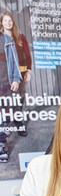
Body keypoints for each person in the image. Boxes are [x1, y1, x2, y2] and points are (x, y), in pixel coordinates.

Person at [1, 12, 32, 137]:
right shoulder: (2, 38)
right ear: (1, 22)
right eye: (5, 20)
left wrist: (28, 71)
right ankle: (6, 124)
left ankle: (18, 121)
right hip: (5, 73)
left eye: (10, 20)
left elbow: (27, 55)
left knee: (18, 99)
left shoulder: (20, 37)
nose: (8, 23)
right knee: (6, 101)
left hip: (19, 72)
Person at [0, 28, 21, 162]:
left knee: (2, 116)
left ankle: (2, 146)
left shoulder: (7, 39)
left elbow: (14, 61)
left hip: (4, 83)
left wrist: (15, 78)